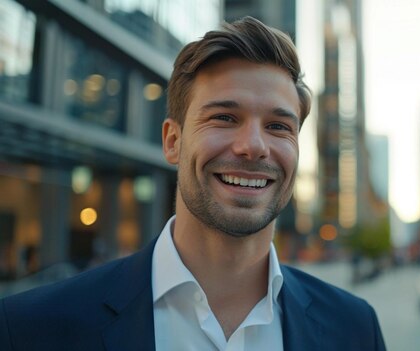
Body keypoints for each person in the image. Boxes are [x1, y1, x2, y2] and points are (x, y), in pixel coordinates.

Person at [0, 17, 386, 351]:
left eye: (278, 126)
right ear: (172, 141)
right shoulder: (31, 328)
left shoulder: (355, 330)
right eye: (224, 118)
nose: (253, 146)